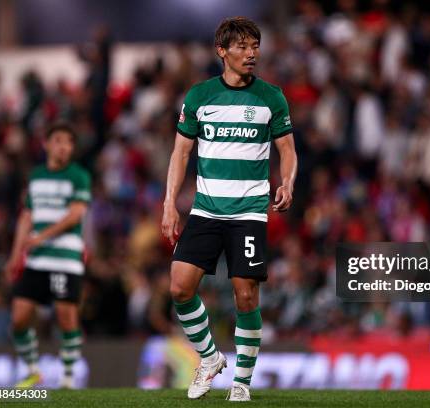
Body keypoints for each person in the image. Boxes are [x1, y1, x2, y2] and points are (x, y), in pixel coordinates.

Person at [161, 17, 297, 402]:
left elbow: (287, 150)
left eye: (255, 45)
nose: (251, 52)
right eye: (242, 46)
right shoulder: (199, 96)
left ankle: (242, 382)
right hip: (205, 210)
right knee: (179, 288)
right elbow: (181, 152)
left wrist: (287, 182)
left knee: (246, 296)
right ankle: (209, 358)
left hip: (249, 212)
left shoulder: (271, 97)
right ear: (222, 51)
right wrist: (169, 203)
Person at [4, 123, 91, 389]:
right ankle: (33, 370)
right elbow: (26, 216)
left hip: (65, 258)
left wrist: (41, 237)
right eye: (58, 141)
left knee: (66, 317)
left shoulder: (78, 176)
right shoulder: (36, 175)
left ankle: (68, 378)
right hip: (37, 259)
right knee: (18, 318)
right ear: (47, 144)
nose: (64, 146)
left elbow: (76, 214)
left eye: (68, 142)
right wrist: (15, 254)